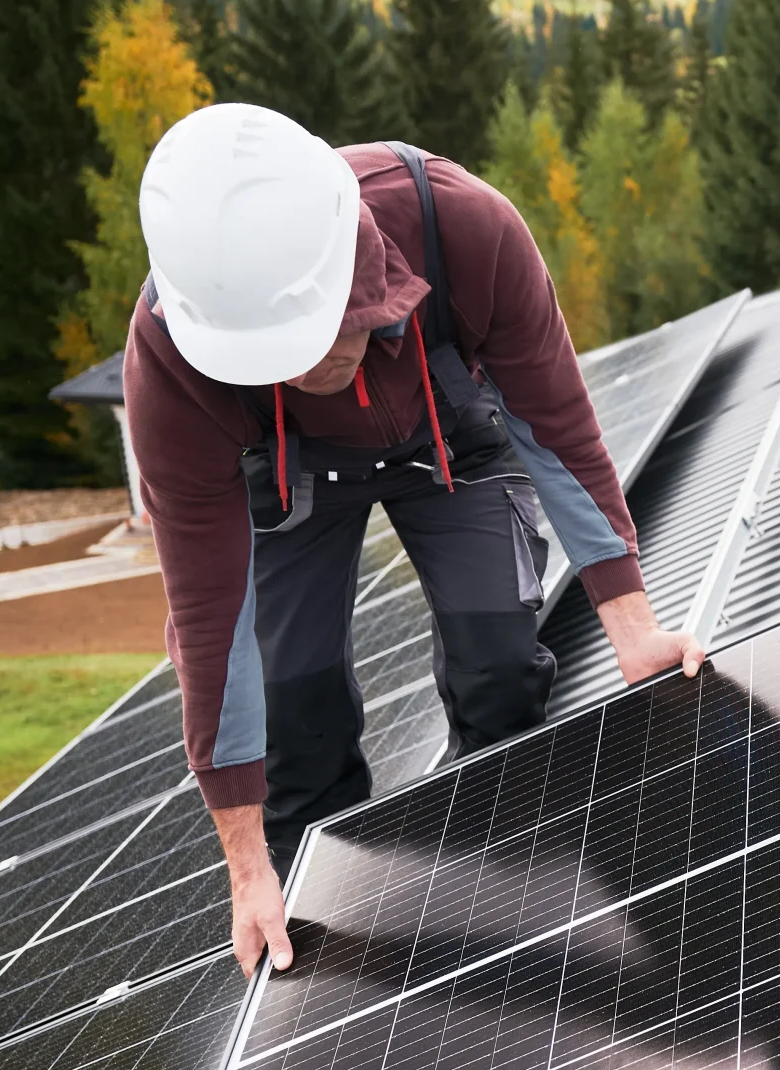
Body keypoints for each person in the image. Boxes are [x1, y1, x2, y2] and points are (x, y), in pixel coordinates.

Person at [127, 104, 704, 978]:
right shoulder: (173, 361)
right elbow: (210, 615)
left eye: (322, 332)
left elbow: (558, 430)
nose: (307, 364)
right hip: (288, 474)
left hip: (452, 444)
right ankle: (334, 961)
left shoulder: (463, 226)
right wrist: (247, 867)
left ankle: (514, 903)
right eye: (276, 353)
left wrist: (632, 625)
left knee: (500, 671)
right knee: (294, 719)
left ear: (356, 263)